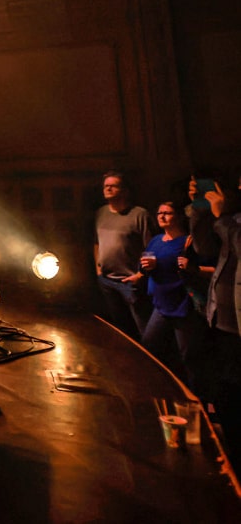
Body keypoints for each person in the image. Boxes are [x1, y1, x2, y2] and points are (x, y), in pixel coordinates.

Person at [187, 172, 241, 469]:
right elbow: (203, 249)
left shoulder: (232, 223)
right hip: (220, 321)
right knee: (223, 393)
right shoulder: (231, 222)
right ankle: (231, 455)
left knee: (234, 395)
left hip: (236, 330)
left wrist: (222, 217)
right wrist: (199, 210)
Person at [129, 200, 207, 384]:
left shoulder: (187, 242)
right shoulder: (156, 240)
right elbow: (144, 264)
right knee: (149, 347)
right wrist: (144, 269)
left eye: (167, 213)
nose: (162, 216)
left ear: (178, 217)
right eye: (159, 213)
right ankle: (160, 387)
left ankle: (196, 393)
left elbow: (197, 269)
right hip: (161, 305)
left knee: (189, 356)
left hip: (182, 306)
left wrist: (184, 266)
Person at [93, 170, 156, 340]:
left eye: (113, 186)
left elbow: (151, 247)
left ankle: (149, 355)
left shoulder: (139, 215)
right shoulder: (101, 213)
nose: (108, 189)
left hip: (130, 281)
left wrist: (140, 275)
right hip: (107, 280)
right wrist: (98, 269)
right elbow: (97, 242)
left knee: (144, 329)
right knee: (121, 329)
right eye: (106, 186)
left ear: (125, 190)